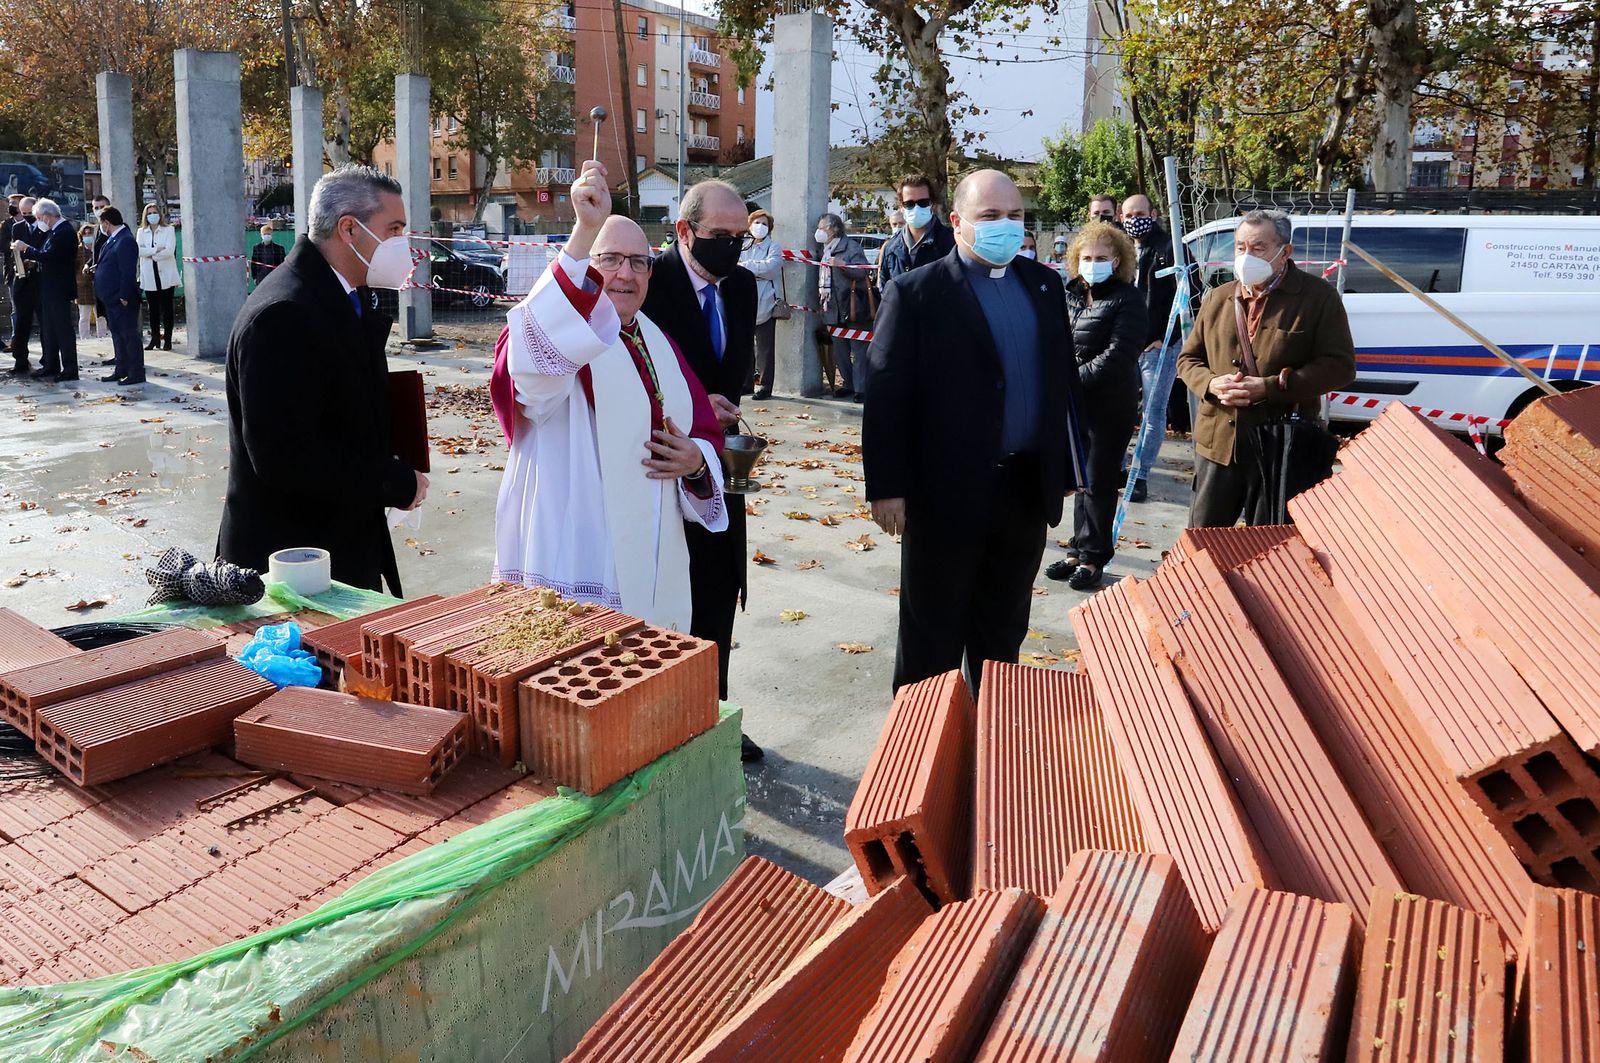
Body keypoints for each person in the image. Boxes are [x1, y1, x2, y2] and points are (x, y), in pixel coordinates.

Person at [864, 169, 1087, 694]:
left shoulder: (1044, 284)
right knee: (931, 640)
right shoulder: (915, 292)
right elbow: (886, 396)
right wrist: (887, 486)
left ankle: (992, 748)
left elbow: (1062, 382)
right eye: (990, 217)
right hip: (944, 493)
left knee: (1002, 636)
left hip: (1025, 491)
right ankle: (922, 755)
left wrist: (1068, 462)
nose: (1005, 227)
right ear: (959, 222)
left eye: (1014, 216)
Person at [489, 163, 728, 632]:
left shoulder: (657, 340)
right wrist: (583, 230)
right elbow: (531, 383)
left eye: (640, 262)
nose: (626, 273)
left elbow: (701, 432)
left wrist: (696, 463)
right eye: (610, 258)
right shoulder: (562, 332)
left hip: (653, 554)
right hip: (576, 549)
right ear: (584, 268)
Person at [217, 165, 429, 594]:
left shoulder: (340, 294)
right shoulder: (284, 314)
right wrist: (393, 481)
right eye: (393, 229)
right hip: (293, 566)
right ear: (349, 229)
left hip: (336, 546)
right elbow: (285, 456)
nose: (402, 243)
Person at [640, 179, 761, 760]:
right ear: (684, 232)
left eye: (741, 236)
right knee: (669, 599)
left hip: (719, 464)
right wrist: (688, 408)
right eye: (721, 236)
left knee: (718, 593)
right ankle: (666, 730)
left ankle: (714, 718)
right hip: (661, 465)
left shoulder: (740, 290)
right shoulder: (646, 283)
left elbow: (729, 373)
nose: (734, 249)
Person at [1178, 208, 1356, 528]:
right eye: (1240, 247)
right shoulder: (1217, 298)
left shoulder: (1318, 298)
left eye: (1258, 248)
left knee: (1268, 549)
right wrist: (1211, 384)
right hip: (1219, 446)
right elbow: (1188, 359)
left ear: (1285, 252)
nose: (1247, 256)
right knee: (1203, 542)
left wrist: (1271, 387)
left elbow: (1340, 367)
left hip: (1281, 449)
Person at [1043, 221, 1144, 590]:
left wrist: (1068, 381)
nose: (1093, 263)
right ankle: (1076, 551)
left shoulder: (1128, 298)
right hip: (1073, 402)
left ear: (1117, 260)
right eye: (1086, 257)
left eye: (1101, 257)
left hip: (1109, 403)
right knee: (1077, 478)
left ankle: (1094, 557)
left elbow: (1118, 355)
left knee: (1099, 480)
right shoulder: (1070, 294)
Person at [1118, 192, 1180, 503]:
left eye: (1140, 213)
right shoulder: (1120, 249)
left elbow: (1187, 296)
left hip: (1159, 347)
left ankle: (1139, 476)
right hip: (1125, 345)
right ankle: (1119, 468)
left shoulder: (1170, 249)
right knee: (1119, 408)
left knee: (1153, 413)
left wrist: (1165, 337)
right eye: (1129, 215)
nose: (1134, 220)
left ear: (1153, 213)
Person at [13, 198, 78, 382]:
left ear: (47, 217)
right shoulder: (53, 231)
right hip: (48, 287)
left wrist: (27, 248)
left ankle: (70, 368)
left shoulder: (64, 231)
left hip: (59, 288)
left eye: (38, 217)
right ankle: (50, 365)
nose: (38, 221)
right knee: (49, 329)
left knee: (62, 329)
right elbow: (47, 257)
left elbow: (51, 256)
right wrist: (34, 261)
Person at [816, 213, 872, 402]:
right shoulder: (824, 251)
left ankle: (861, 389)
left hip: (854, 307)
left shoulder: (851, 247)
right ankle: (848, 385)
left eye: (822, 228)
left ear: (834, 229)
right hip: (833, 309)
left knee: (858, 350)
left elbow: (863, 271)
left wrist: (843, 265)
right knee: (840, 351)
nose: (819, 232)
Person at [878, 174, 956, 286]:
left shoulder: (952, 243)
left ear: (932, 204)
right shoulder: (891, 248)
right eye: (909, 204)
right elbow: (885, 291)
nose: (916, 208)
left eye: (922, 203)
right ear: (901, 206)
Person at [94, 207, 142, 385]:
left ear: (107, 223)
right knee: (118, 335)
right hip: (110, 298)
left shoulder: (125, 240)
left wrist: (124, 295)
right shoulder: (112, 240)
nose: (101, 227)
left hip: (121, 298)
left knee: (129, 336)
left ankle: (136, 372)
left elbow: (127, 271)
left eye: (101, 223)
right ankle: (121, 368)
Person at [739, 208, 782, 400]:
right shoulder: (743, 245)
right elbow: (734, 266)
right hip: (744, 301)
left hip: (766, 301)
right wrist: (757, 268)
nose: (760, 227)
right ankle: (746, 383)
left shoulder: (774, 247)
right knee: (744, 345)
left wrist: (747, 267)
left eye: (764, 224)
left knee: (765, 348)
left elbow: (772, 267)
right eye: (757, 222)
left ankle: (765, 386)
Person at [5, 196, 42, 373]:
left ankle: (48, 360)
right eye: (24, 213)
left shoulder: (44, 227)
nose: (27, 216)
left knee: (45, 321)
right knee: (21, 321)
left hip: (40, 281)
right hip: (21, 279)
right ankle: (20, 360)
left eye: (30, 213)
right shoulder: (17, 227)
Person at [137, 202, 179, 351]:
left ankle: (167, 339)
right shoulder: (141, 232)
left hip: (166, 274)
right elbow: (139, 251)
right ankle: (154, 338)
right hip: (149, 274)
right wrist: (156, 249)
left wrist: (152, 255)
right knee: (152, 309)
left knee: (167, 309)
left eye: (154, 212)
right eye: (149, 213)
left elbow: (169, 251)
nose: (152, 216)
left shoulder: (169, 230)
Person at [75, 223, 106, 340]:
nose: (87, 235)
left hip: (98, 285)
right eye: (85, 233)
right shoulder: (78, 251)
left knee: (100, 315)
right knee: (84, 316)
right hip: (82, 287)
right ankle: (84, 338)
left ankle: (102, 337)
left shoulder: (99, 248)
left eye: (90, 233)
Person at [250, 222, 285, 287]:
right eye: (264, 234)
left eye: (268, 234)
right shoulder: (257, 248)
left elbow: (282, 264)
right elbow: (253, 264)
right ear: (261, 235)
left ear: (271, 234)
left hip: (275, 277)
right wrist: (254, 277)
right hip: (261, 277)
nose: (267, 235)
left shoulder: (279, 248)